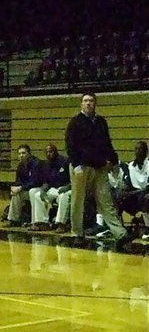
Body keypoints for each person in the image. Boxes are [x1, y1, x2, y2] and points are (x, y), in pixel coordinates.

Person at [65, 92, 129, 249]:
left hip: (99, 166)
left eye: (91, 101)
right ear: (81, 104)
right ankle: (77, 233)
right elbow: (70, 144)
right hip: (81, 166)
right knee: (78, 202)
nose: (88, 103)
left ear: (95, 103)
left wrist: (113, 160)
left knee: (106, 200)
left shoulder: (101, 122)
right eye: (85, 101)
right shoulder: (75, 122)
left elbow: (107, 142)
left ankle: (120, 233)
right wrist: (76, 164)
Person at [29, 143, 72, 232]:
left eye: (51, 151)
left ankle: (61, 224)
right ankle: (42, 222)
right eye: (47, 152)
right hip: (53, 189)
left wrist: (67, 187)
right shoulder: (46, 164)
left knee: (63, 196)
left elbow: (73, 179)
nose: (49, 154)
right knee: (38, 195)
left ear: (55, 151)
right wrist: (43, 190)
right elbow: (46, 182)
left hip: (66, 188)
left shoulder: (65, 161)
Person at [3, 144, 44, 227]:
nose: (21, 155)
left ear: (29, 153)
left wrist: (21, 187)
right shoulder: (20, 166)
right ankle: (13, 219)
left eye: (23, 153)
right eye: (19, 154)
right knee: (16, 194)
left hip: (40, 188)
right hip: (27, 189)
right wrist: (14, 187)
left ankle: (35, 222)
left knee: (32, 192)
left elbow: (35, 182)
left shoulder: (37, 164)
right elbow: (18, 181)